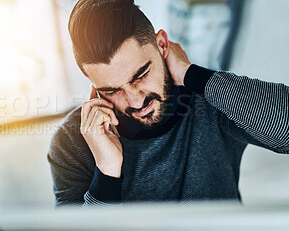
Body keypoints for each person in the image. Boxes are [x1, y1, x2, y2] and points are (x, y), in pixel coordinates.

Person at [47, 0, 289, 206]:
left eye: (141, 75)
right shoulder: (72, 141)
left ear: (162, 45)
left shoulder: (213, 101)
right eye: (111, 90)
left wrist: (192, 74)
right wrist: (107, 172)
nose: (136, 100)